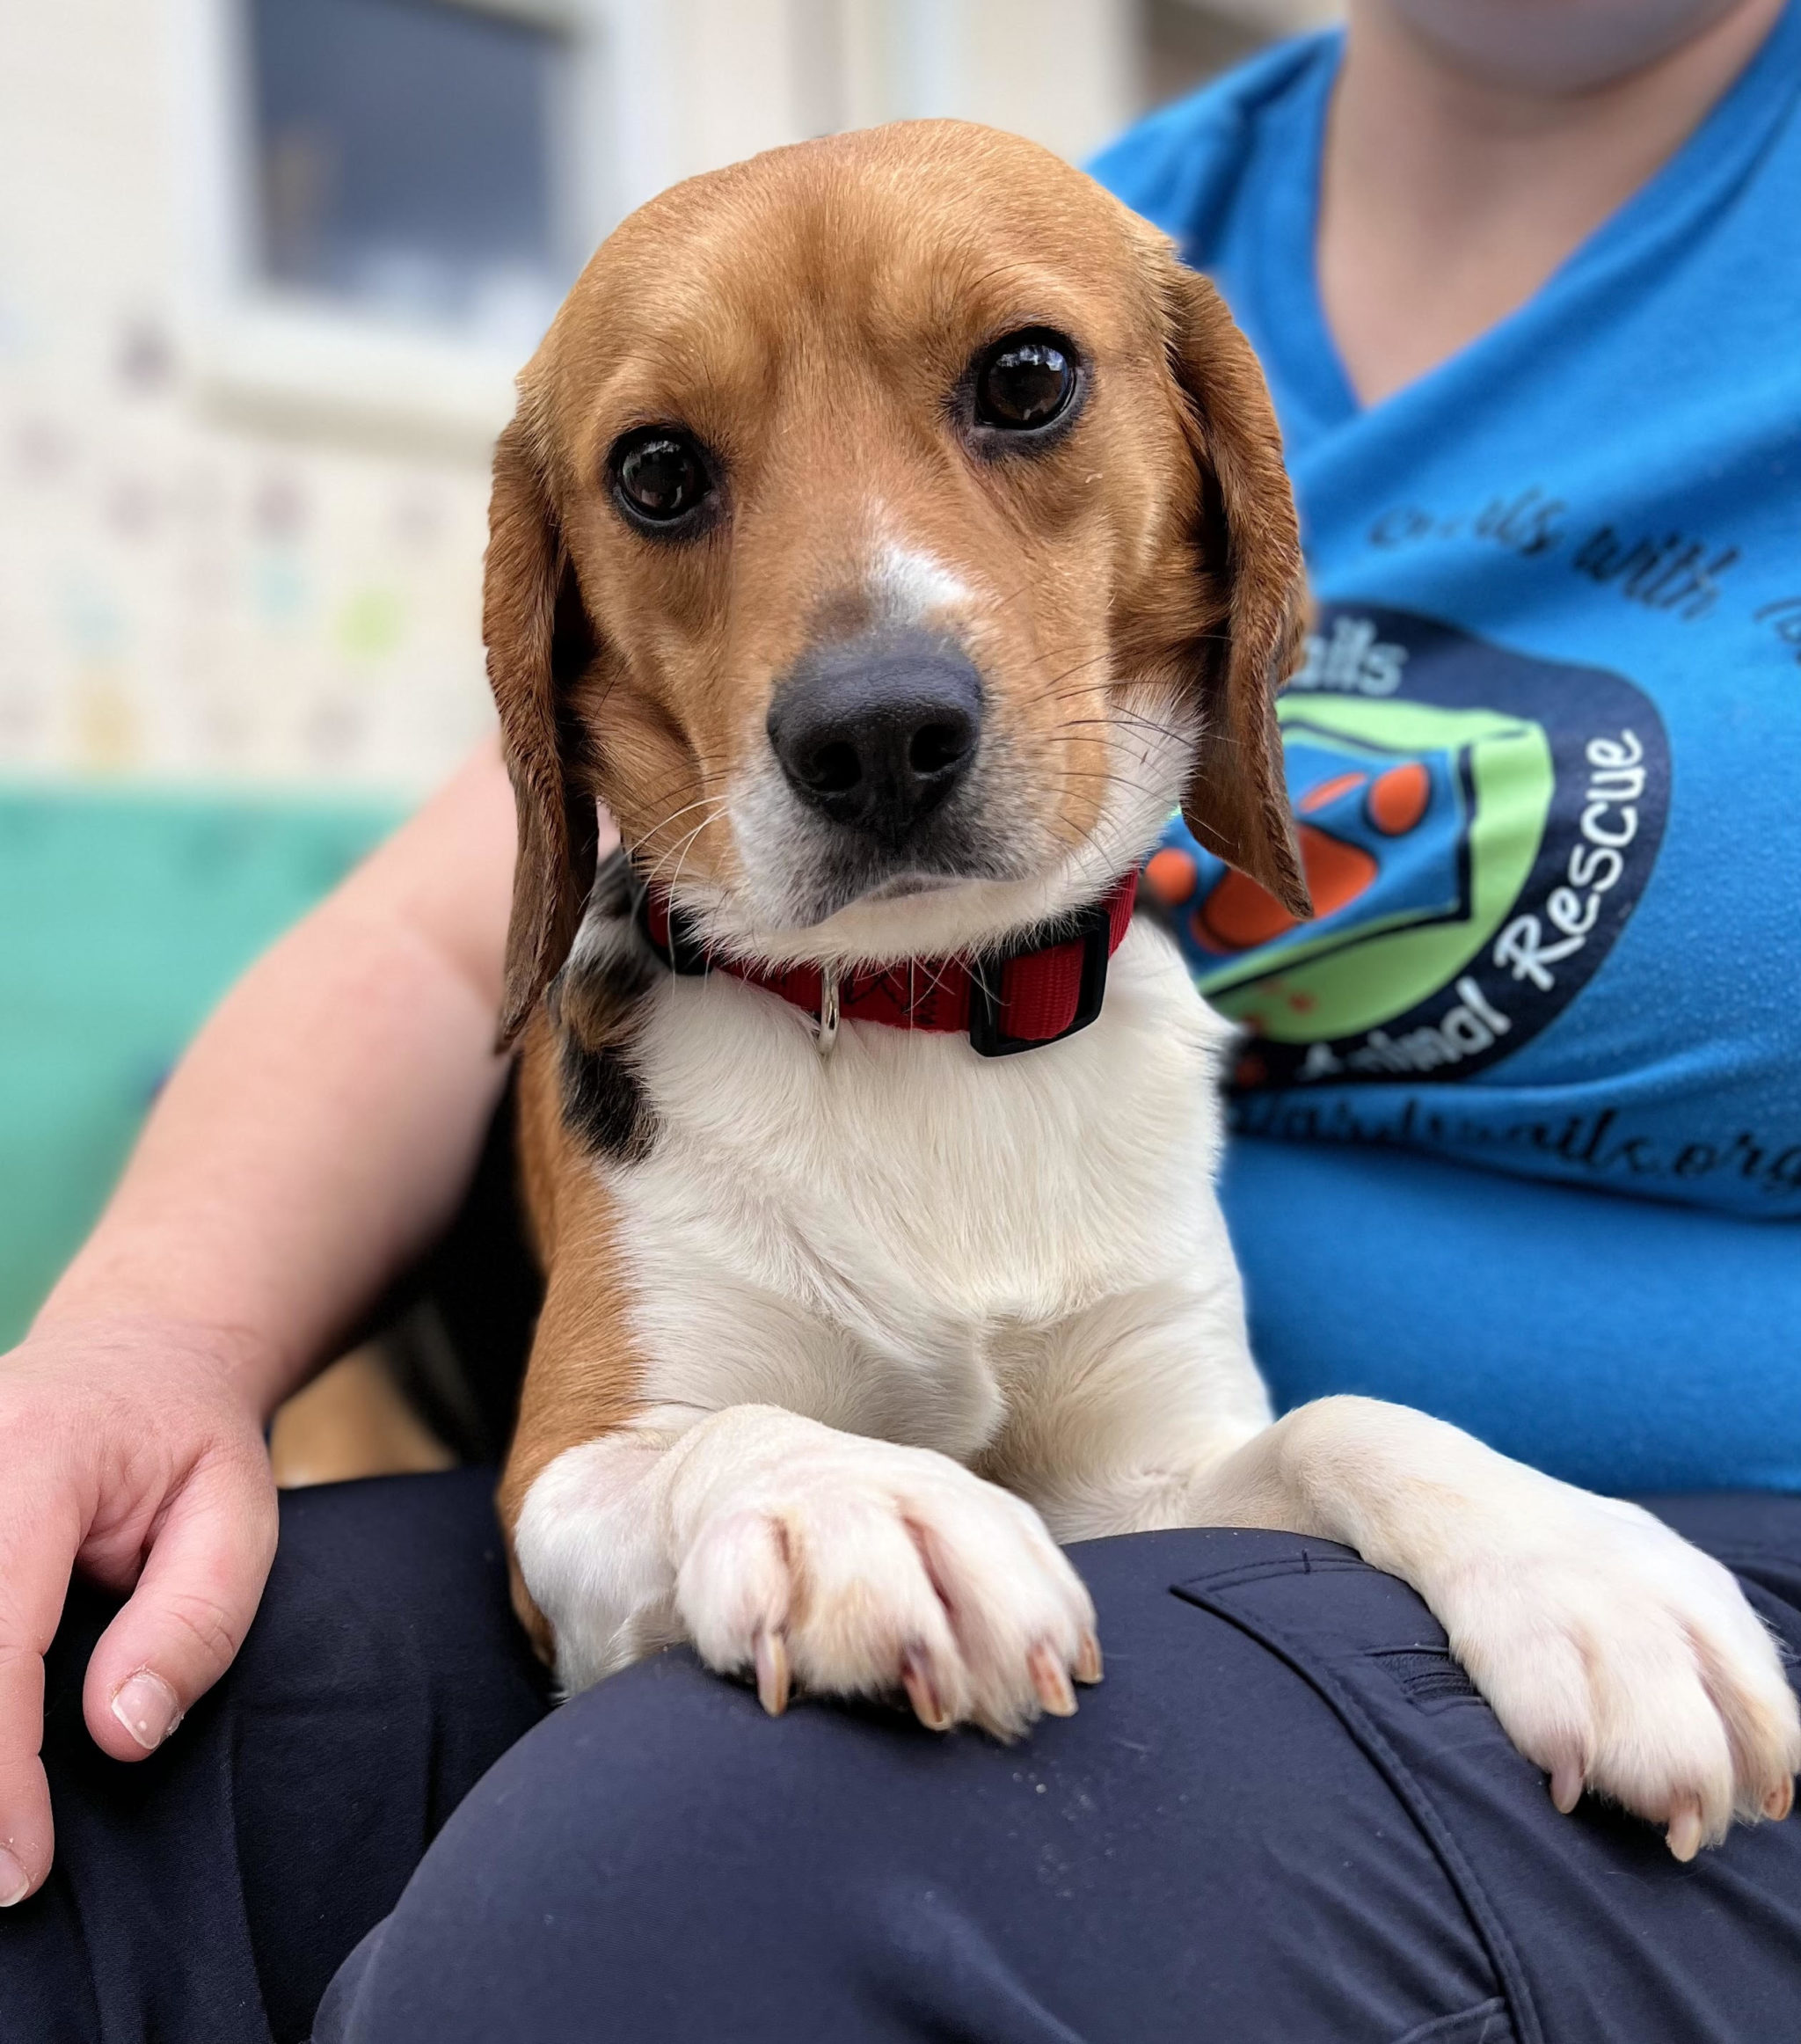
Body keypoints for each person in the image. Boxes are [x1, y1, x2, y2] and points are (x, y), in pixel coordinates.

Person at [3, 0, 1798, 2036]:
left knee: (695, 1867)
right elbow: (563, 1413)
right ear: (559, 607)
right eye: (670, 476)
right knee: (107, 1743)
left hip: (1691, 1568)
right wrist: (135, 1343)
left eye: (1017, 391)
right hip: (790, 1315)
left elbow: (1172, 1480)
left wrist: (1439, 1490)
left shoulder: (1102, 275)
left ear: (1220, 494)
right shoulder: (1126, 206)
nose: (858, 676)